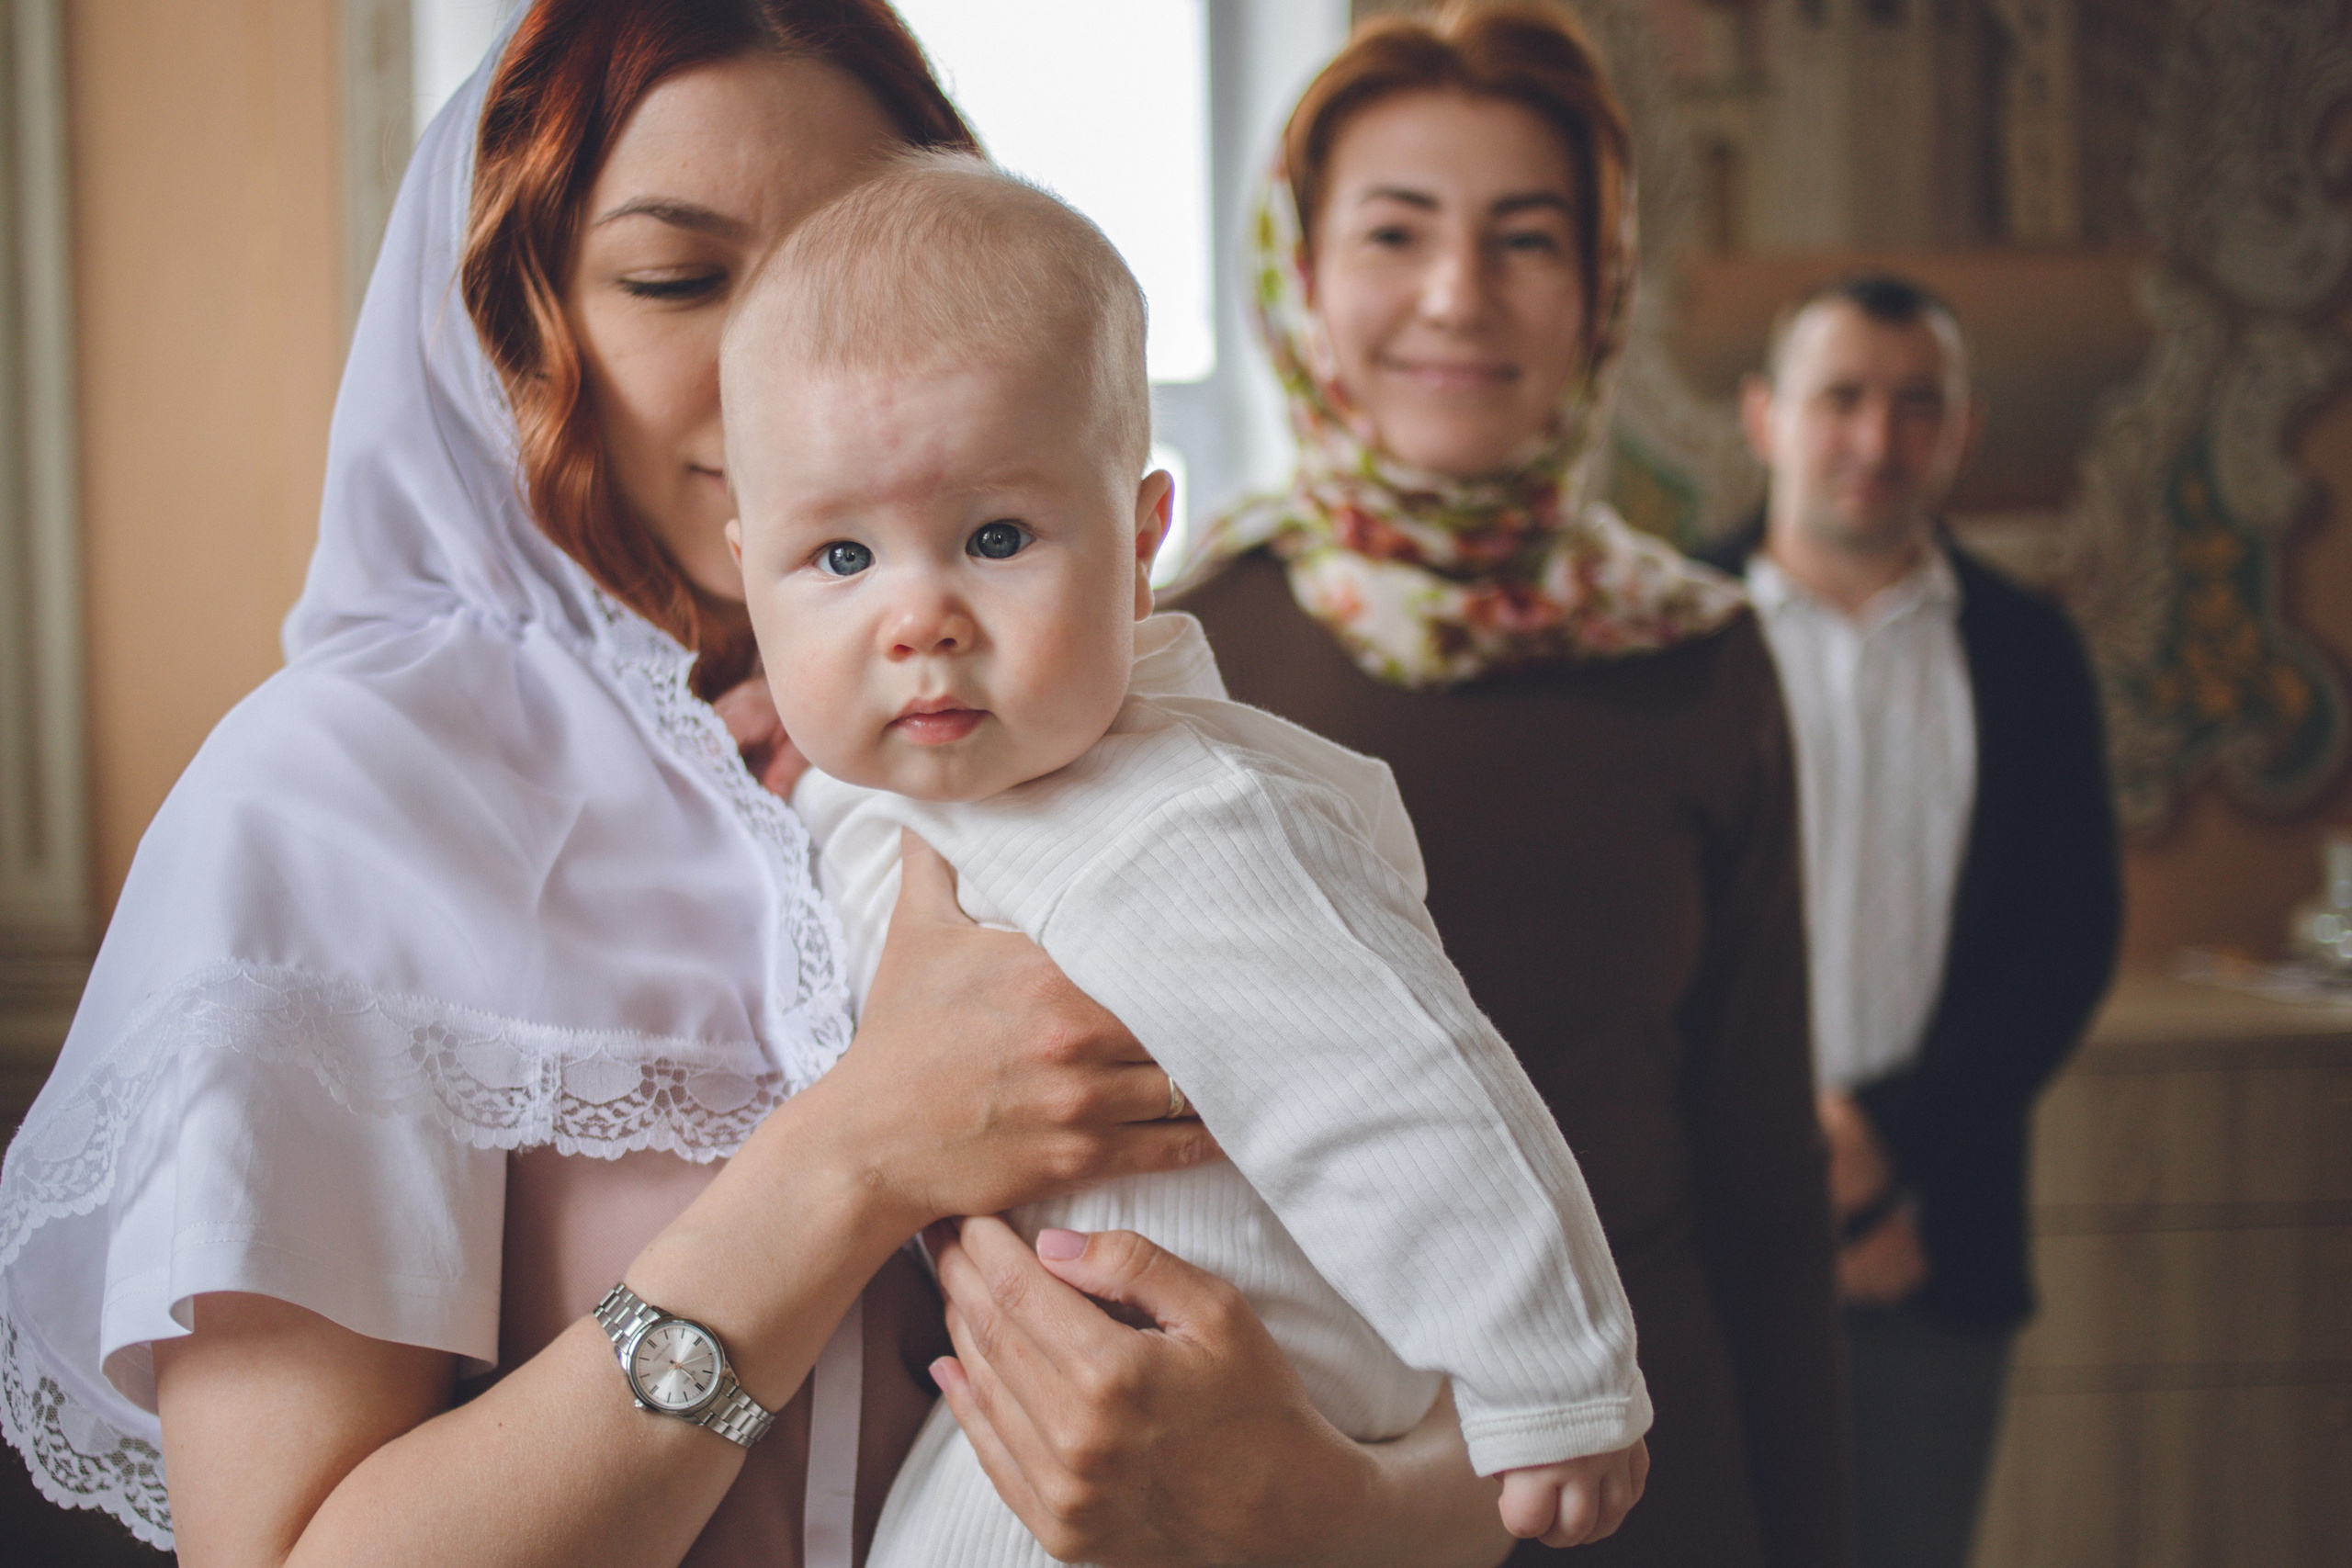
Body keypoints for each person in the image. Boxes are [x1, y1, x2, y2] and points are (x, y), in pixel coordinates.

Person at [0, 6, 1525, 1565]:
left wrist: (1314, 1505)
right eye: (680, 280)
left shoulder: (1051, 743)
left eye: (859, 264)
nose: (786, 366)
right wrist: (853, 1156)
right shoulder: (330, 807)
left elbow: (1446, 1273)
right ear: (525, 327)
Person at [722, 152, 1653, 1561]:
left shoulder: (1170, 819)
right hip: (1055, 1382)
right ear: (752, 574)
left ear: (1142, 540)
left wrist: (1558, 1380)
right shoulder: (925, 786)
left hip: (1240, 1383)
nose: (919, 618)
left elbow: (1400, 1081)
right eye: (840, 560)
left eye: (994, 537)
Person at [1171, 5, 1851, 1564]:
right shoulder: (1180, 648)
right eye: (1396, 233)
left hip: (1650, 1468)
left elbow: (1760, 1162)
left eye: (1526, 240)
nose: (1457, 297)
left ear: (1601, 288)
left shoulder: (1700, 655)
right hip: (1290, 1468)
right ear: (1299, 273)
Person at [1702, 274, 2121, 1568]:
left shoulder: (2029, 653)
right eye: (1841, 399)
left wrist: (1881, 1152)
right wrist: (1791, 1187)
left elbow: (2066, 945)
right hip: (1691, 1247)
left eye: (1915, 406)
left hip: (1929, 1243)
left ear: (1963, 433)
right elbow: (1618, 955)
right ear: (1765, 417)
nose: (1877, 440)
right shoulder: (1663, 630)